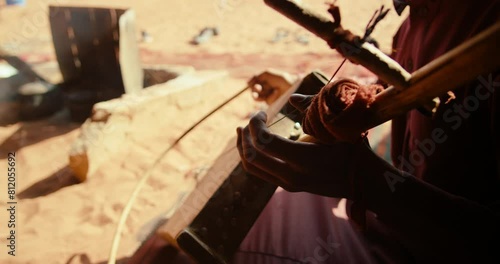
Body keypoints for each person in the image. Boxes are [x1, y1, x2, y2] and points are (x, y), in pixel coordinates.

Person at [234, 0, 500, 263]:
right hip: (389, 226)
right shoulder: (412, 23)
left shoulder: (487, 28)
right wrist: (307, 96)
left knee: (237, 240)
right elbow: (383, 95)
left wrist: (363, 179)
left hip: (422, 249)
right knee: (261, 204)